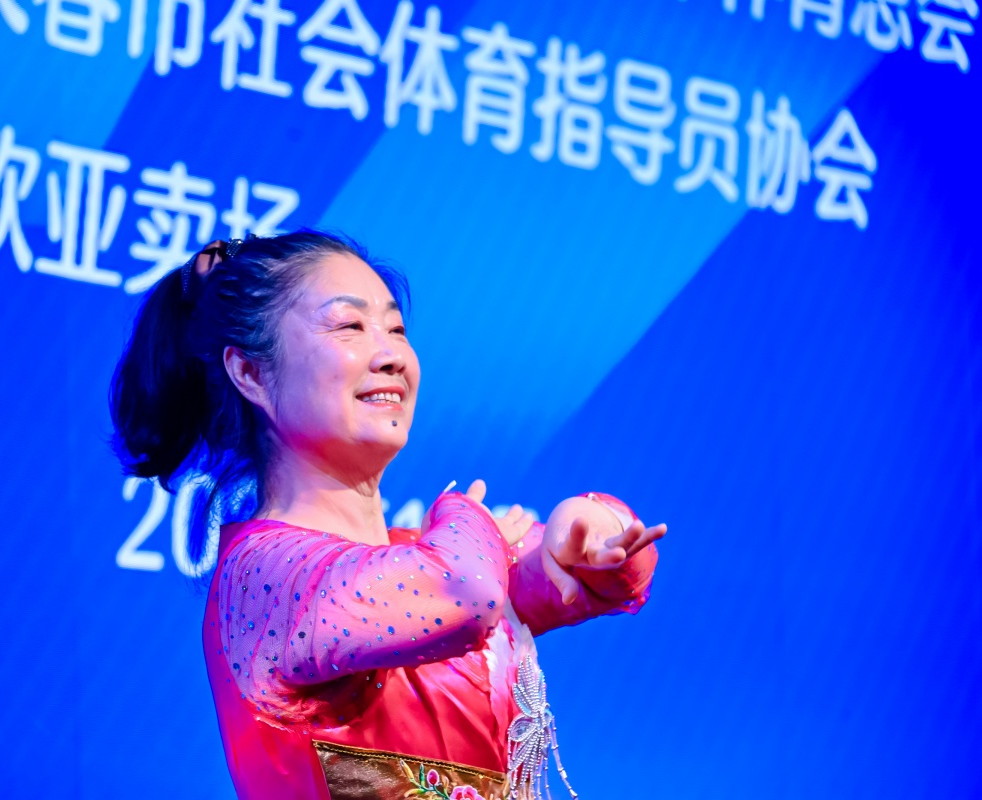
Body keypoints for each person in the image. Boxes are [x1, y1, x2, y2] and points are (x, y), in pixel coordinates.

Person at [109, 231, 665, 800]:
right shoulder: (262, 573)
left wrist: (589, 526)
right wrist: (463, 513)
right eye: (349, 326)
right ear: (250, 372)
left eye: (396, 330)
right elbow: (470, 590)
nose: (392, 356)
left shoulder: (419, 558)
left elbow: (604, 579)